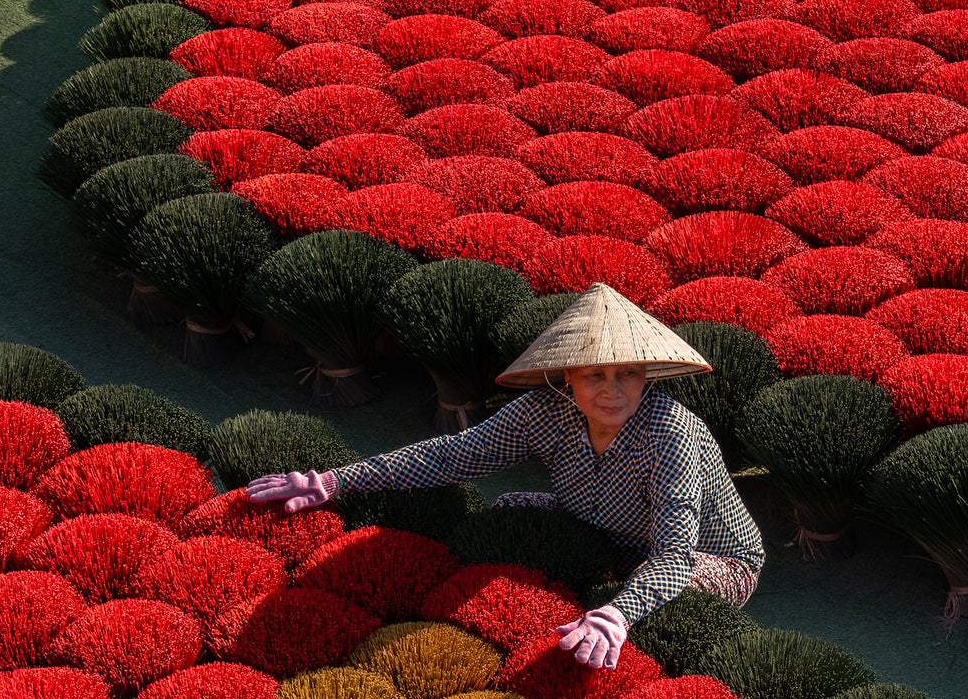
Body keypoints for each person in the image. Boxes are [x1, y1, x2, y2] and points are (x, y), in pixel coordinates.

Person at [247, 283, 766, 669]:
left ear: (645, 375)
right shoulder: (542, 411)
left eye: (628, 373)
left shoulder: (670, 430)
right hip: (603, 528)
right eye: (595, 375)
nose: (614, 390)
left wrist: (618, 613)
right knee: (508, 512)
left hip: (711, 557)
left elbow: (673, 553)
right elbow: (452, 456)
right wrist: (334, 482)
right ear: (568, 376)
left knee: (645, 598)